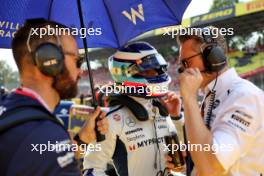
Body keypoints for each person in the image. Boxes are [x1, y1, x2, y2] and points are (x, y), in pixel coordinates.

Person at [0, 18, 108, 176]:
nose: (81, 72)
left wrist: (82, 140)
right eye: (77, 61)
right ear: (49, 59)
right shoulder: (46, 133)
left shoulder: (9, 107)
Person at [166, 27, 264, 176]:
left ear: (213, 57)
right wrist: (189, 162)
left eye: (186, 62)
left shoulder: (244, 97)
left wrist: (189, 98)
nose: (181, 70)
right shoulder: (211, 95)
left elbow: (211, 167)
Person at [83, 42, 183, 176]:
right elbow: (92, 170)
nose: (155, 73)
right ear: (125, 73)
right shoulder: (109, 120)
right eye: (148, 70)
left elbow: (184, 153)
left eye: (157, 68)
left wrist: (176, 117)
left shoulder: (162, 110)